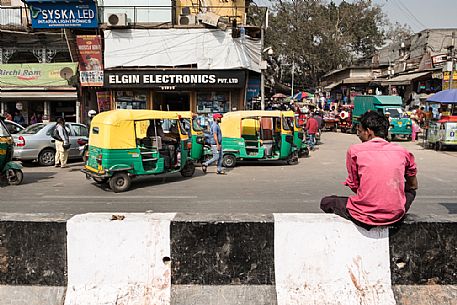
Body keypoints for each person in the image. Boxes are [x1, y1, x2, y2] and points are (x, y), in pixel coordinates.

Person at [320, 111, 418, 230]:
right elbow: (413, 185)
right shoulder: (403, 152)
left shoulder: (355, 151)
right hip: (395, 214)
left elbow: (355, 186)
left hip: (364, 215)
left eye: (360, 132)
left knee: (327, 201)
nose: (359, 135)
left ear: (369, 132)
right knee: (411, 192)